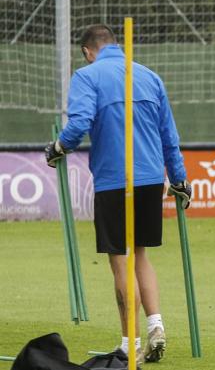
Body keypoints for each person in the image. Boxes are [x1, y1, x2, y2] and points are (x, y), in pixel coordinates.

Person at [44, 24, 192, 364]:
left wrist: (57, 147)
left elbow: (79, 124)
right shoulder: (149, 76)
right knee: (140, 255)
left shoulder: (87, 76)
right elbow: (169, 134)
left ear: (87, 51)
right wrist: (180, 179)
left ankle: (129, 344)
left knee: (119, 260)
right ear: (117, 45)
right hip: (152, 178)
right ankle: (156, 327)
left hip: (114, 180)